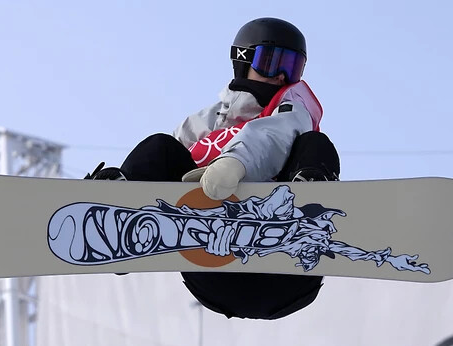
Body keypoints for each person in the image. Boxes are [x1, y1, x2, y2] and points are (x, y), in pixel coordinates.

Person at [86, 17, 340, 320]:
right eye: (271, 62)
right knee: (159, 147)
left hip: (284, 270)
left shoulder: (293, 108)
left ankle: (309, 203)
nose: (281, 76)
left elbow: (273, 134)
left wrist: (236, 163)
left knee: (315, 143)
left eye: (292, 66)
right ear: (243, 60)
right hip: (214, 267)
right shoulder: (206, 123)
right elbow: (165, 155)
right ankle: (120, 223)